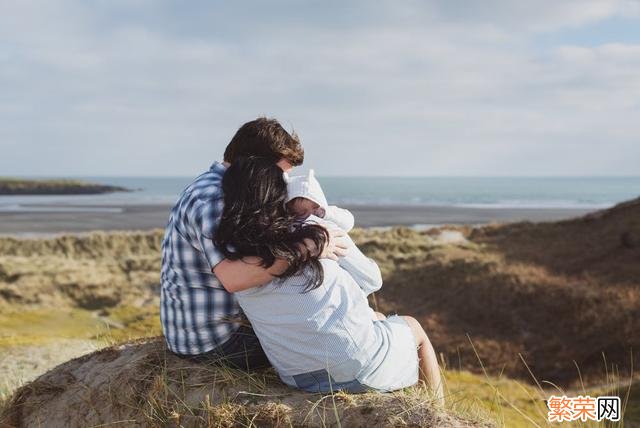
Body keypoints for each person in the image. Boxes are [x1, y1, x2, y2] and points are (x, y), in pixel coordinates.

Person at [216, 157, 445, 404]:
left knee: (377, 320)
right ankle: (437, 414)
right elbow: (371, 280)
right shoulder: (314, 231)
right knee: (414, 328)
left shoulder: (231, 255)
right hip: (356, 367)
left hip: (295, 376)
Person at [159, 118, 348, 370]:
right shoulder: (215, 199)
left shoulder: (214, 187)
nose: (281, 183)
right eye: (279, 174)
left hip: (198, 333)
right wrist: (306, 248)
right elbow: (234, 277)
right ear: (255, 165)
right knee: (338, 343)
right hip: (218, 342)